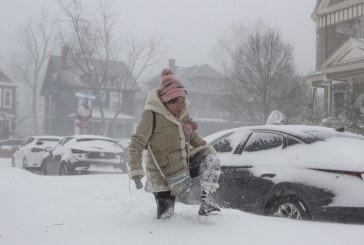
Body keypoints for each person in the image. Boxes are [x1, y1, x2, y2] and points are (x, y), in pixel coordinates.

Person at [128, 68, 221, 219]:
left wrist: (211, 154)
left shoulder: (183, 114)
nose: (180, 105)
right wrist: (136, 171)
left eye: (183, 101)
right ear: (165, 101)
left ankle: (207, 202)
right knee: (166, 216)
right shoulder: (151, 115)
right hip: (163, 174)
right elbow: (136, 143)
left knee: (210, 158)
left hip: (183, 166)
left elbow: (194, 139)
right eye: (176, 102)